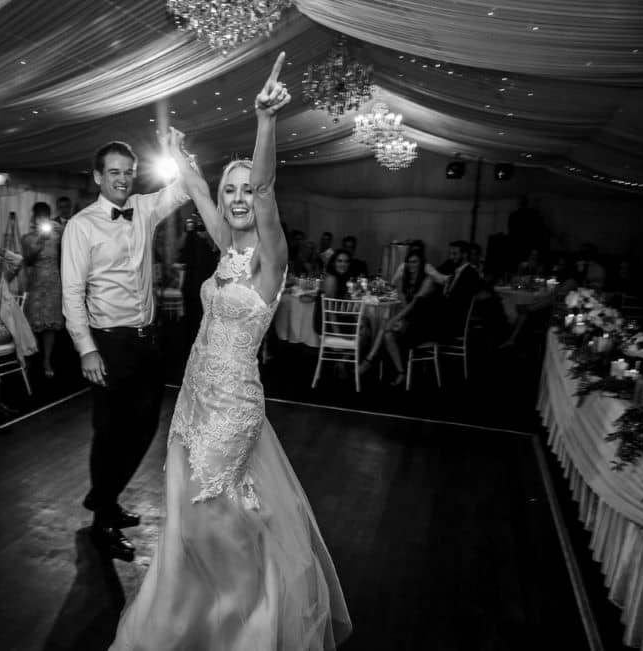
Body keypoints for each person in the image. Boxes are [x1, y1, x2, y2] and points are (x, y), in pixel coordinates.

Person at [109, 53, 351, 650]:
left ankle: (242, 621)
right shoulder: (224, 247)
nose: (240, 198)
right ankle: (202, 614)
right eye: (231, 190)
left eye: (247, 191)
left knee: (220, 519)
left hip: (232, 407)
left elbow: (266, 186)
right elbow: (193, 187)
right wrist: (182, 155)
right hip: (192, 399)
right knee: (192, 519)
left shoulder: (272, 262)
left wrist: (265, 122)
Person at [61, 136, 192, 560]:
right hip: (108, 344)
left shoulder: (145, 209)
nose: (121, 179)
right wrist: (86, 349)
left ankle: (105, 496)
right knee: (110, 434)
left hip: (147, 341)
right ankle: (104, 518)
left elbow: (187, 187)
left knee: (146, 427)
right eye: (113, 172)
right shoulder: (81, 226)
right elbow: (71, 293)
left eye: (128, 171)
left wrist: (179, 151)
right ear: (98, 177)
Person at [360, 249, 440, 386]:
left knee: (387, 323)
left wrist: (396, 319)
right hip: (410, 320)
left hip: (425, 324)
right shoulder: (405, 279)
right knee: (387, 333)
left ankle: (369, 361)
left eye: (415, 262)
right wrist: (399, 318)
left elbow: (414, 305)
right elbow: (403, 303)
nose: (411, 265)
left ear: (422, 263)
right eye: (408, 262)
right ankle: (400, 372)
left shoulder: (428, 281)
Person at [22, 202, 65, 378]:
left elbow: (74, 239)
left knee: (50, 325)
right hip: (36, 283)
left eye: (44, 217)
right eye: (38, 217)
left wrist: (60, 228)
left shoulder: (56, 235)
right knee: (33, 323)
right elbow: (29, 259)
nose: (41, 221)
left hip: (54, 282)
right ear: (34, 218)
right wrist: (39, 239)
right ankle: (31, 358)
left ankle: (47, 360)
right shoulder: (27, 238)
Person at [177, 213, 220, 346]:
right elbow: (182, 255)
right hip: (192, 284)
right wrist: (187, 233)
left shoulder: (213, 235)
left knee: (204, 318)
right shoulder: (191, 236)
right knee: (192, 319)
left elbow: (218, 254)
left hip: (205, 283)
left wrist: (208, 236)